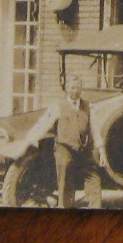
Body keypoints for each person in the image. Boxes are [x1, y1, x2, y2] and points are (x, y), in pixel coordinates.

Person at [30, 74, 101, 209]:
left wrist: (100, 148)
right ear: (67, 88)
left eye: (78, 88)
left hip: (84, 149)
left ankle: (96, 209)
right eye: (72, 87)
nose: (75, 91)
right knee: (65, 179)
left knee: (93, 177)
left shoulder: (88, 106)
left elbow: (95, 128)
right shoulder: (58, 106)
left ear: (81, 89)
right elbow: (44, 123)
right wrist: (33, 138)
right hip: (64, 148)